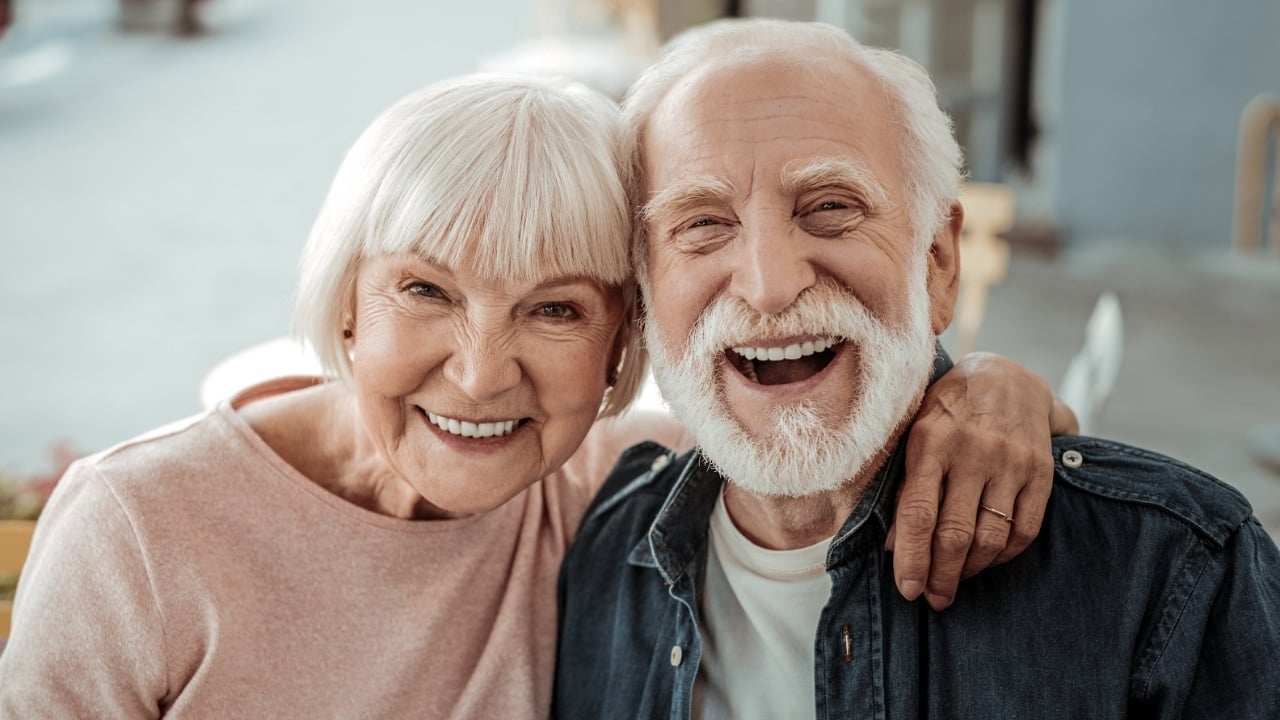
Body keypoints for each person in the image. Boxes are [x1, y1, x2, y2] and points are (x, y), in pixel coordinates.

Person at [0, 73, 1069, 717]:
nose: (478, 374)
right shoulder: (138, 528)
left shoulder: (611, 487)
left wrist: (985, 384)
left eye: (554, 311)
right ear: (344, 305)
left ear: (621, 346)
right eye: (424, 290)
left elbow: (810, 422)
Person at [553, 18, 1280, 720]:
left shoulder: (1172, 572)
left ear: (937, 263)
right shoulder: (597, 551)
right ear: (644, 294)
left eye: (830, 207)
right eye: (703, 223)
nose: (769, 284)